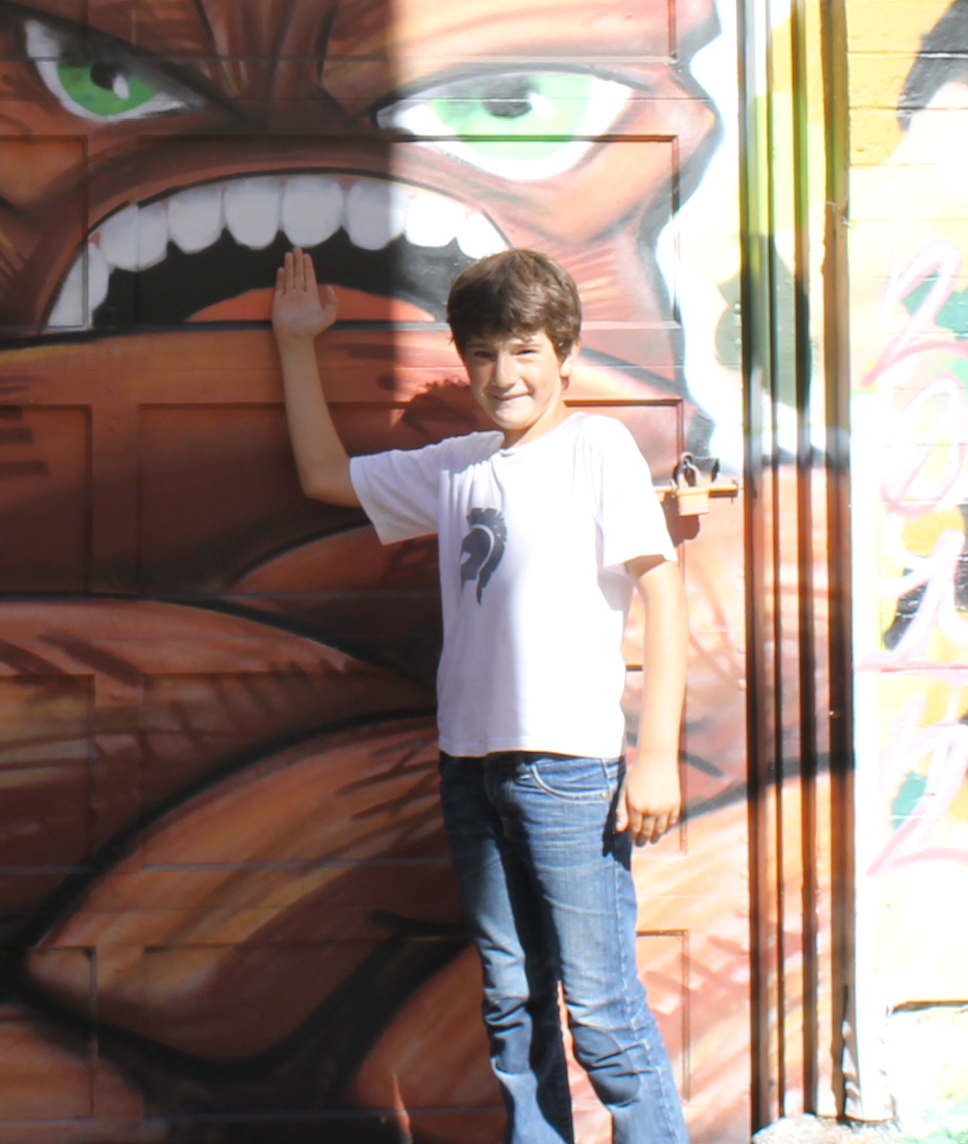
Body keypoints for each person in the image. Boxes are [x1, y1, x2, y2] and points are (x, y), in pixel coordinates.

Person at [270, 243, 690, 1144]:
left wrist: (656, 754)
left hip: (570, 774)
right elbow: (322, 476)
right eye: (485, 354)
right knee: (511, 1004)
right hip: (471, 769)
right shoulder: (457, 466)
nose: (506, 375)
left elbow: (663, 592)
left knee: (603, 1015)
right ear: (465, 361)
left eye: (526, 351)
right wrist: (296, 343)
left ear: (566, 354)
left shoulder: (597, 448)